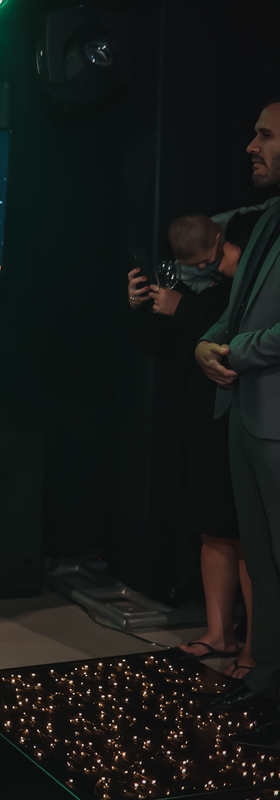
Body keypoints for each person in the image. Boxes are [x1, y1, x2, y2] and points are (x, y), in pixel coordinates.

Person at [126, 211, 256, 679]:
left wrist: (182, 306)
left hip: (237, 417)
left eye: (210, 259)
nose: (206, 268)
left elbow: (231, 333)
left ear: (225, 240)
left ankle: (256, 648)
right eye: (195, 265)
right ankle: (220, 634)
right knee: (211, 529)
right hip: (198, 421)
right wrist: (142, 306)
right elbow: (167, 346)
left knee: (245, 537)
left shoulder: (250, 284)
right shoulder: (204, 286)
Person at [192, 94, 280, 754]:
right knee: (266, 568)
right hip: (246, 417)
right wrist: (205, 344)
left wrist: (234, 351)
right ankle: (266, 682)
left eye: (266, 135)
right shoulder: (268, 216)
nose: (252, 146)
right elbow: (239, 307)